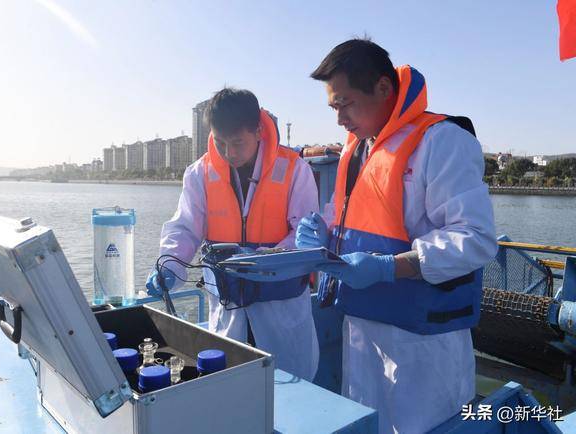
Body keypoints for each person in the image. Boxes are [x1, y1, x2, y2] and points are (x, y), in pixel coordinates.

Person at [296, 38, 497, 433]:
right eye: (334, 107)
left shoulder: (441, 141)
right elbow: (347, 214)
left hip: (422, 345)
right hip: (361, 329)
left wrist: (391, 268)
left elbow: (475, 238)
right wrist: (323, 228)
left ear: (384, 89)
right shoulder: (357, 149)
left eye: (345, 103)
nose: (339, 118)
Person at [147, 88, 319, 381]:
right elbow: (185, 228)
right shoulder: (199, 173)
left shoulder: (294, 169)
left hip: (281, 307)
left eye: (238, 143)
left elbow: (305, 235)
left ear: (257, 131)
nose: (230, 153)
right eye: (220, 142)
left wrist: (267, 259)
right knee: (230, 387)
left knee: (290, 390)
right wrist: (170, 266)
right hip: (227, 309)